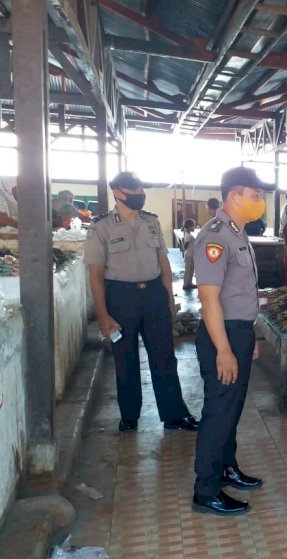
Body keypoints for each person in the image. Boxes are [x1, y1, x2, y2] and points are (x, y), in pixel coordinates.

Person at [84, 171, 198, 433]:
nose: (139, 195)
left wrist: (169, 298)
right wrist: (102, 314)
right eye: (133, 191)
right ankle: (130, 416)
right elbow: (95, 274)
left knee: (164, 356)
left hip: (154, 296)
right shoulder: (100, 227)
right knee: (125, 358)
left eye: (140, 191)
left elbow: (163, 262)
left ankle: (174, 415)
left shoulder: (151, 222)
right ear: (117, 193)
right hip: (121, 297)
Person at [192, 166, 272, 516]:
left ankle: (226, 467)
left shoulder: (238, 233)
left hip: (237, 331)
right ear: (233, 197)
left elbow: (241, 295)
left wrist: (248, 336)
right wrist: (224, 350)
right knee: (218, 411)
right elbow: (209, 299)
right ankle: (206, 490)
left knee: (232, 408)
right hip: (219, 334)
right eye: (255, 196)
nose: (261, 202)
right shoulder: (216, 235)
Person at [182, 219, 197, 290]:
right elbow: (185, 246)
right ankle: (185, 284)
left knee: (191, 269)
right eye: (193, 226)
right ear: (189, 227)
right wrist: (187, 251)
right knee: (188, 270)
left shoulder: (189, 234)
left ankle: (190, 283)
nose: (194, 228)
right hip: (189, 255)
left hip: (192, 254)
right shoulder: (188, 235)